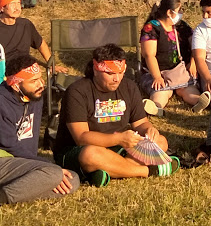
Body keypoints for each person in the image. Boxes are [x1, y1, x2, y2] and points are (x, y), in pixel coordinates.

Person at [53, 44, 179, 187]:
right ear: (95, 70)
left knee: (161, 142)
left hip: (119, 147)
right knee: (91, 155)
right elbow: (81, 138)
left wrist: (149, 130)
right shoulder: (77, 92)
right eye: (110, 74)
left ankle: (111, 170)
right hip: (79, 149)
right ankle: (145, 171)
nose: (117, 79)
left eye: (120, 73)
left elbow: (140, 123)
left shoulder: (129, 87)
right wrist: (119, 139)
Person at [0, 55, 79, 204]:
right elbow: (10, 146)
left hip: (20, 163)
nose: (41, 84)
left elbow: (31, 140)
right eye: (33, 81)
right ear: (16, 85)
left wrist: (40, 168)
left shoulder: (35, 96)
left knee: (72, 179)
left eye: (40, 78)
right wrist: (45, 166)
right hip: (4, 159)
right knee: (54, 173)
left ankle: (15, 191)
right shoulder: (2, 102)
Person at [139, 0, 211, 115]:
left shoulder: (181, 26)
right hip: (157, 72)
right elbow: (149, 55)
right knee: (161, 91)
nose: (181, 13)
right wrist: (157, 77)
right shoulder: (151, 28)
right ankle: (156, 107)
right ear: (169, 12)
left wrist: (193, 62)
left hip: (180, 71)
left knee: (188, 89)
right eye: (179, 10)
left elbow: (195, 44)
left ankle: (199, 102)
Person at [0, 0, 66, 75]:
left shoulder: (25, 24)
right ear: (2, 8)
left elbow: (40, 44)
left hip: (25, 65)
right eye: (12, 4)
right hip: (5, 68)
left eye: (18, 3)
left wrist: (52, 64)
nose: (17, 8)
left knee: (37, 81)